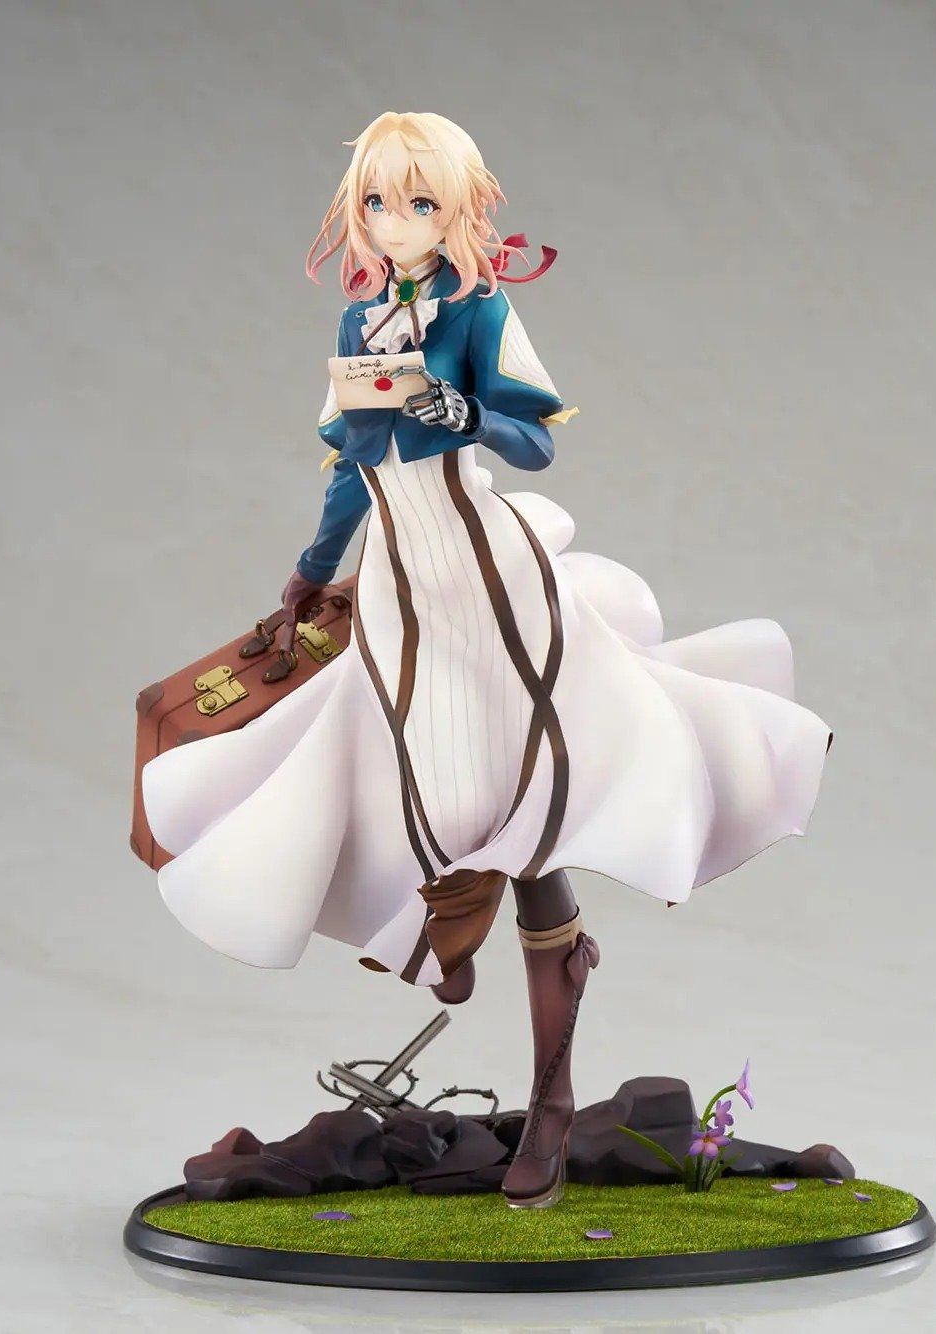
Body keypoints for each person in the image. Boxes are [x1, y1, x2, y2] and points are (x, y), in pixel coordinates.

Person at [141, 111, 831, 1208]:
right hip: (396, 582)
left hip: (484, 574)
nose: (395, 220)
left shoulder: (478, 308)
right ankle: (447, 922)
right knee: (407, 775)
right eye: (378, 201)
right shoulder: (362, 316)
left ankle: (549, 1098)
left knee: (532, 800)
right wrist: (312, 566)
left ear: (456, 209)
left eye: (418, 201)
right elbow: (350, 462)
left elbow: (534, 439)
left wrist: (457, 408)